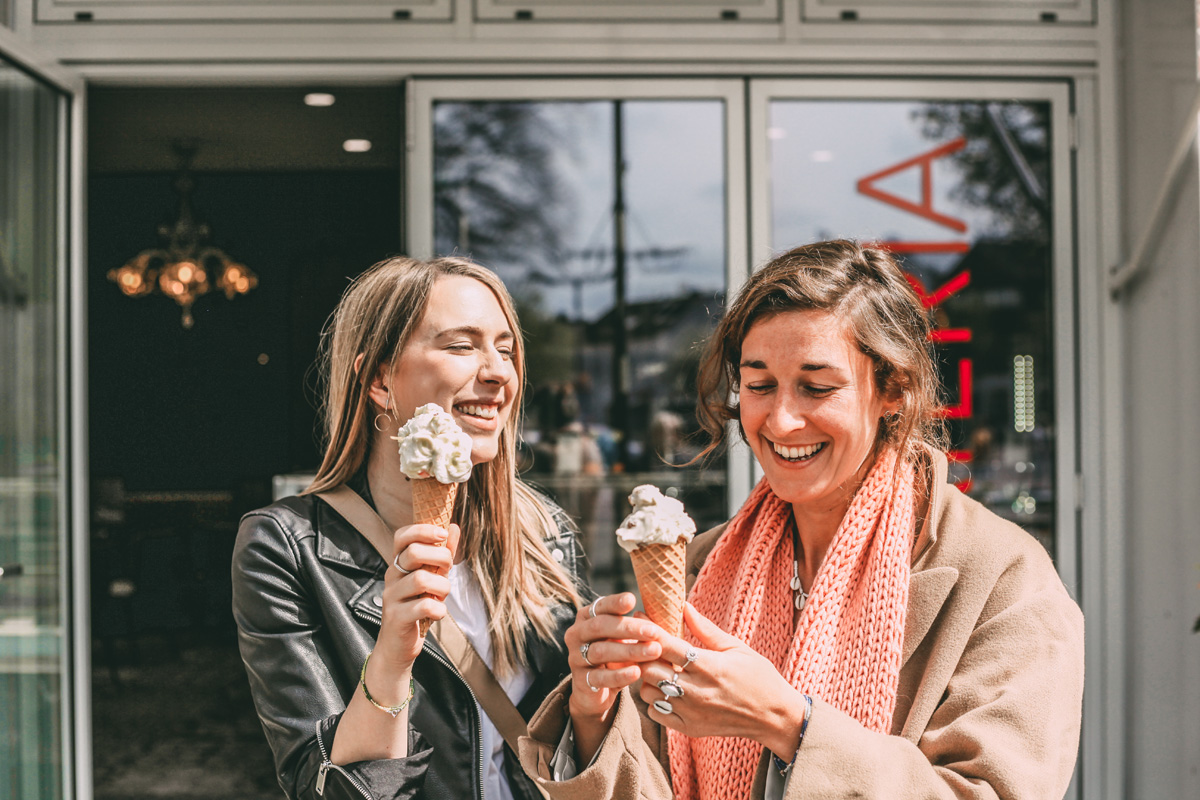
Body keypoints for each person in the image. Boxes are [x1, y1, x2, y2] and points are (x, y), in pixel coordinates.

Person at [517, 240, 1085, 800]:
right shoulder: (702, 565)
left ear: (893, 389)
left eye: (817, 387)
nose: (781, 421)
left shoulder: (1004, 577)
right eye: (759, 385)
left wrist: (790, 724)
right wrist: (592, 717)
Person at [232, 255, 589, 800]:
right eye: (462, 345)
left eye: (506, 348)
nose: (498, 373)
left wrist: (597, 692)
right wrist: (393, 655)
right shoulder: (286, 548)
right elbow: (319, 787)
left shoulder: (543, 533)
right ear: (378, 379)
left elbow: (575, 754)